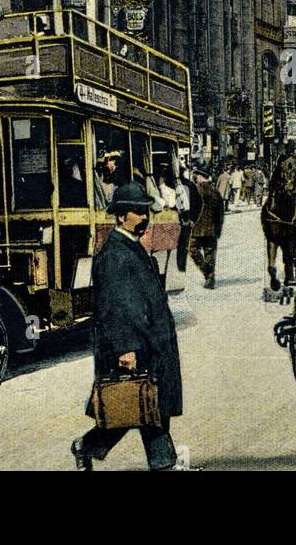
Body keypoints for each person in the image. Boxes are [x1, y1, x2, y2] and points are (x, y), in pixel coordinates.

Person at [71, 181, 183, 471]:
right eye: (137, 212)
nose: (144, 217)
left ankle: (87, 447)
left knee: (139, 407)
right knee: (143, 406)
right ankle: (164, 465)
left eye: (146, 211)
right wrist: (125, 349)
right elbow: (115, 308)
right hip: (133, 345)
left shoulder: (129, 247)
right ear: (120, 216)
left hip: (148, 342)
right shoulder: (115, 254)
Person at [189, 168, 225, 290]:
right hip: (212, 229)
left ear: (199, 176)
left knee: (193, 250)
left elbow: (190, 209)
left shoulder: (195, 190)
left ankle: (206, 271)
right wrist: (218, 229)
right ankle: (210, 277)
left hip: (197, 228)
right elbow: (220, 213)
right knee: (210, 253)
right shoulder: (215, 191)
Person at [174, 167, 198, 274]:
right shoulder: (190, 184)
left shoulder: (173, 184)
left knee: (180, 244)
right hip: (186, 219)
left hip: (179, 218)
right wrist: (193, 219)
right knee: (183, 244)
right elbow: (198, 202)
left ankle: (180, 267)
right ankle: (181, 267)